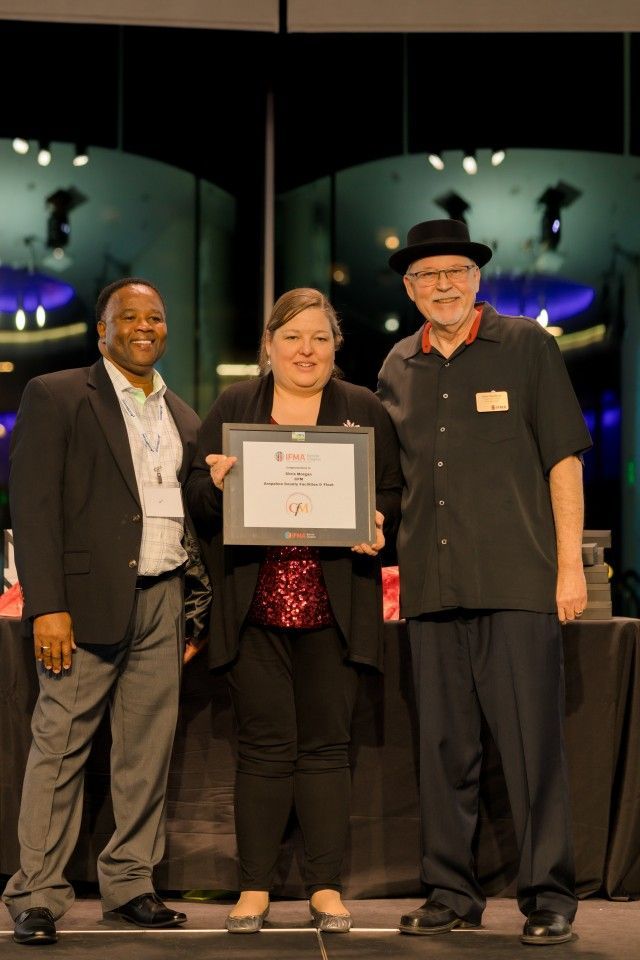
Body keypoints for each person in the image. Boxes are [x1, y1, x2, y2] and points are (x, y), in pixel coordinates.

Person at [377, 219, 592, 946]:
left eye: (455, 272)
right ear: (410, 289)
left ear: (476, 280)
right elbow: (390, 481)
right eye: (427, 275)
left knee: (532, 750)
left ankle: (549, 896)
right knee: (444, 751)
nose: (443, 286)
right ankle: (450, 892)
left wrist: (569, 566)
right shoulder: (397, 365)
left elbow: (564, 459)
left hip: (517, 583)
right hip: (431, 587)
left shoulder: (527, 346)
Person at [185, 287, 402, 933]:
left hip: (335, 608)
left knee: (328, 749)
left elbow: (392, 491)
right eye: (292, 337)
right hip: (254, 609)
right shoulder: (235, 405)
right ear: (269, 346)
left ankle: (325, 888)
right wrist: (215, 485)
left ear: (335, 346)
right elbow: (194, 493)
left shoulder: (362, 409)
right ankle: (253, 889)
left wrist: (379, 521)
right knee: (263, 748)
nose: (306, 350)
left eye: (319, 338)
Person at [2, 278, 206, 945]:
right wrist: (48, 607)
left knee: (146, 755)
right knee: (59, 748)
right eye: (130, 316)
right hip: (82, 604)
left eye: (156, 316)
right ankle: (36, 893)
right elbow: (33, 507)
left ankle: (130, 884)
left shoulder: (182, 414)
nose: (145, 326)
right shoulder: (58, 394)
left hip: (162, 597)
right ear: (103, 329)